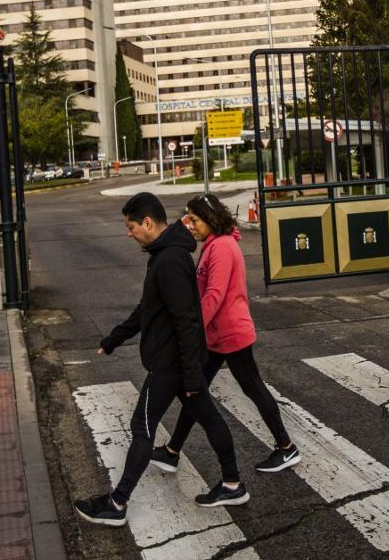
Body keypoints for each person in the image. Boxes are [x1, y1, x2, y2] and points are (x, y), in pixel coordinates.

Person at [73, 192, 247, 528]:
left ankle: (117, 502)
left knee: (143, 427)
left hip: (171, 364)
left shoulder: (168, 261)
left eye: (131, 226)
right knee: (208, 417)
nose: (129, 233)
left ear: (148, 223)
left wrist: (193, 374)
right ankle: (232, 483)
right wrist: (115, 339)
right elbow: (148, 308)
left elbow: (186, 319)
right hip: (180, 362)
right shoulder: (164, 255)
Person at [150, 192, 300, 475]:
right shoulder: (214, 244)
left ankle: (286, 447)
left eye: (194, 220)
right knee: (195, 391)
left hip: (230, 334)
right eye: (189, 219)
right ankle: (172, 451)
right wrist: (182, 221)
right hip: (217, 335)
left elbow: (214, 296)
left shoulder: (221, 247)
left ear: (208, 218)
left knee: (251, 388)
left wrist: (191, 332)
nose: (190, 225)